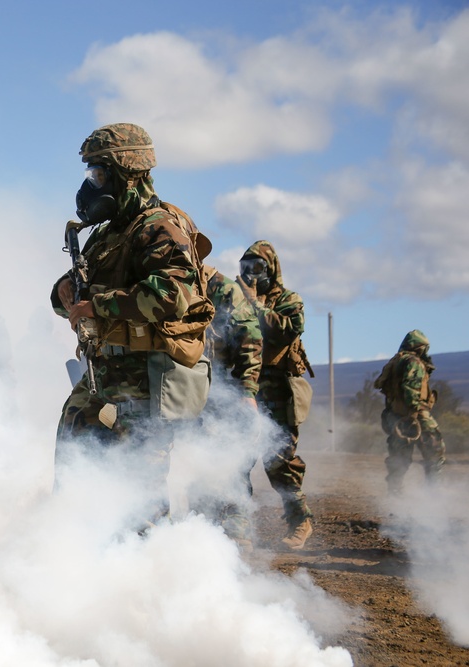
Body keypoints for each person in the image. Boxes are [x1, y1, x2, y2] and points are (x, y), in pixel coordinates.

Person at [52, 123, 214, 528]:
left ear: (127, 172)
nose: (92, 186)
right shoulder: (108, 234)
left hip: (143, 380)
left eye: (99, 174)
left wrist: (99, 306)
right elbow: (76, 294)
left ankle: (146, 580)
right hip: (101, 374)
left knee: (137, 495)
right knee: (76, 475)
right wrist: (64, 294)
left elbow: (173, 295)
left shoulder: (159, 227)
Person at [237, 240, 315, 550]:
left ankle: (301, 521)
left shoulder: (289, 300)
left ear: (272, 269)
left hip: (278, 392)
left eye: (258, 268)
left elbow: (284, 331)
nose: (251, 274)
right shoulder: (237, 301)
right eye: (246, 268)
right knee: (236, 459)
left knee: (279, 462)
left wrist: (254, 304)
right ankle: (238, 528)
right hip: (245, 390)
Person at [188, 264, 263, 550]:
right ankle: (203, 526)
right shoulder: (171, 281)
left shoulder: (223, 289)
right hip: (187, 386)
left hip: (226, 386)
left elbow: (250, 338)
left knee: (234, 457)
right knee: (196, 456)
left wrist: (247, 390)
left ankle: (236, 525)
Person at [374, 329, 446, 494]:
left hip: (396, 416)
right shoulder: (414, 362)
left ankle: (395, 493)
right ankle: (433, 493)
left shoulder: (396, 362)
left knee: (399, 458)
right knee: (435, 452)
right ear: (420, 347)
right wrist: (414, 413)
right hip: (415, 415)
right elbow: (410, 388)